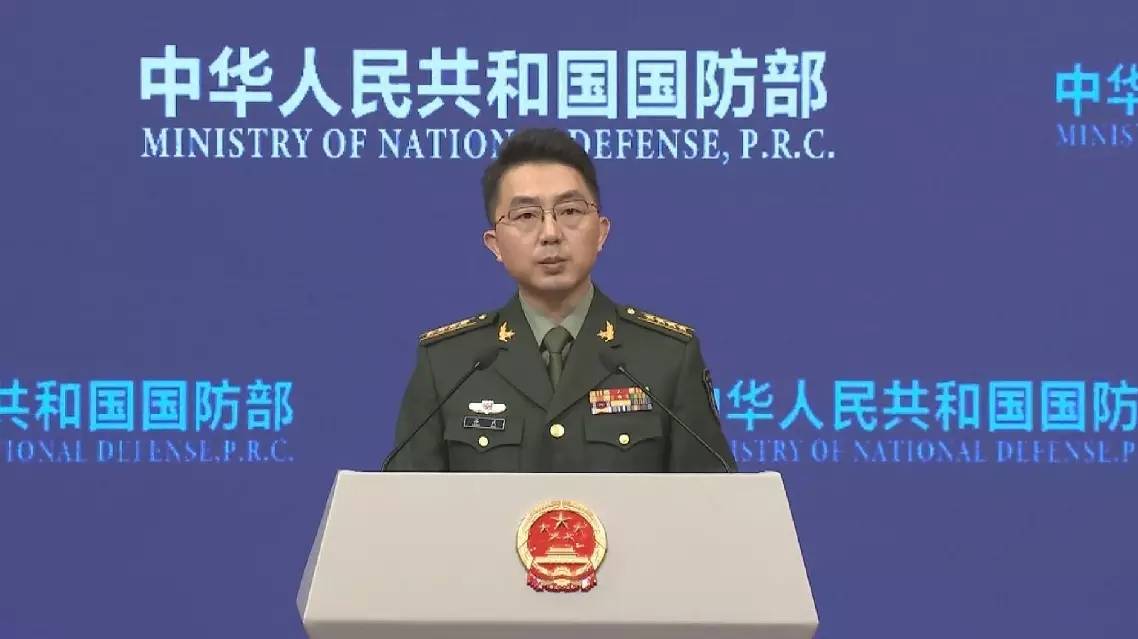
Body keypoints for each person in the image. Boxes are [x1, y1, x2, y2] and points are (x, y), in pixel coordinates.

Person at [385, 128, 736, 473]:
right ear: (495, 244)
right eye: (526, 216)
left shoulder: (667, 357)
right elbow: (403, 500)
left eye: (569, 211)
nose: (550, 234)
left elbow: (714, 499)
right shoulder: (449, 365)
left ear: (601, 232)